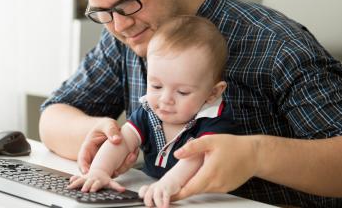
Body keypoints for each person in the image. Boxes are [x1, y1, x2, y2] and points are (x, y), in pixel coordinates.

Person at [39, 0, 342, 207]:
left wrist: (256, 155)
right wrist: (105, 136)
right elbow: (54, 115)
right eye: (103, 12)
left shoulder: (276, 45)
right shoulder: (126, 33)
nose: (119, 25)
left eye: (127, 3)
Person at [67, 16, 235, 207]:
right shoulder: (149, 111)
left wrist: (167, 184)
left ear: (212, 93)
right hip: (152, 194)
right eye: (155, 86)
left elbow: (195, 159)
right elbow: (121, 140)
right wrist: (100, 170)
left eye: (182, 92)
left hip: (203, 201)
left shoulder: (215, 121)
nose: (165, 99)